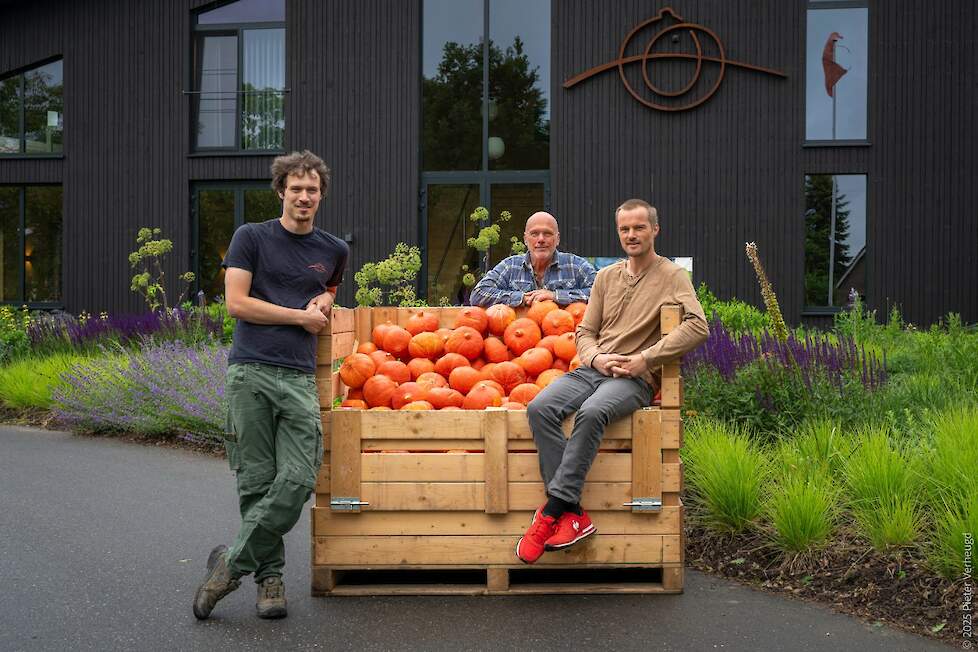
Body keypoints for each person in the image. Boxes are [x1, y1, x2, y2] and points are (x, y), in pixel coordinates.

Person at [193, 151, 348, 619]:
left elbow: (329, 294)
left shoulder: (333, 249)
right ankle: (269, 579)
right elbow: (237, 303)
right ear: (281, 190)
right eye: (296, 188)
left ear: (321, 195)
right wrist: (299, 315)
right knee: (257, 482)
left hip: (299, 376)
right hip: (251, 372)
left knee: (299, 479)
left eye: (312, 190)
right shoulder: (251, 238)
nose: (304, 196)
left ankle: (228, 564)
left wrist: (322, 298)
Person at [517, 199, 708, 564]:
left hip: (633, 378)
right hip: (594, 369)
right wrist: (595, 357)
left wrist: (645, 360)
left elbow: (698, 327)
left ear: (655, 230)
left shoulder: (672, 277)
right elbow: (584, 332)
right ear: (618, 232)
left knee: (591, 414)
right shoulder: (605, 277)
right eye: (625, 229)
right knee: (540, 407)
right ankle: (573, 513)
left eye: (639, 227)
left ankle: (549, 514)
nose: (632, 235)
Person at [469, 211, 596, 307]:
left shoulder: (576, 266)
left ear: (557, 239)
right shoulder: (510, 266)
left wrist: (556, 296)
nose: (541, 239)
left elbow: (602, 294)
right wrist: (521, 298)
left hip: (564, 336)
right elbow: (478, 293)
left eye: (547, 233)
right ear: (525, 239)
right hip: (518, 337)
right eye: (534, 234)